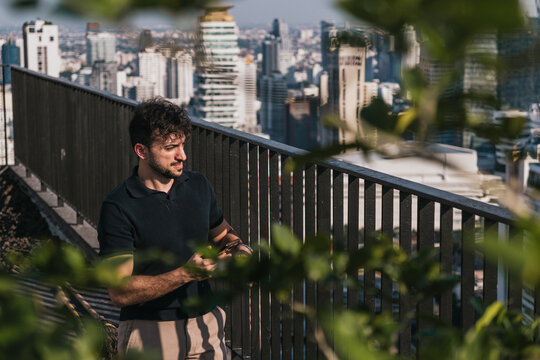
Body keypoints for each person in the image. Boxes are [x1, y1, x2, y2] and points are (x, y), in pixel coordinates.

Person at [97, 97, 252, 360]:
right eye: (170, 147)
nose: (182, 156)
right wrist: (185, 274)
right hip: (149, 332)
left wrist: (241, 251)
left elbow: (223, 234)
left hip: (207, 326)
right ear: (141, 150)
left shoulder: (198, 185)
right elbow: (119, 292)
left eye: (182, 145)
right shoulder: (118, 206)